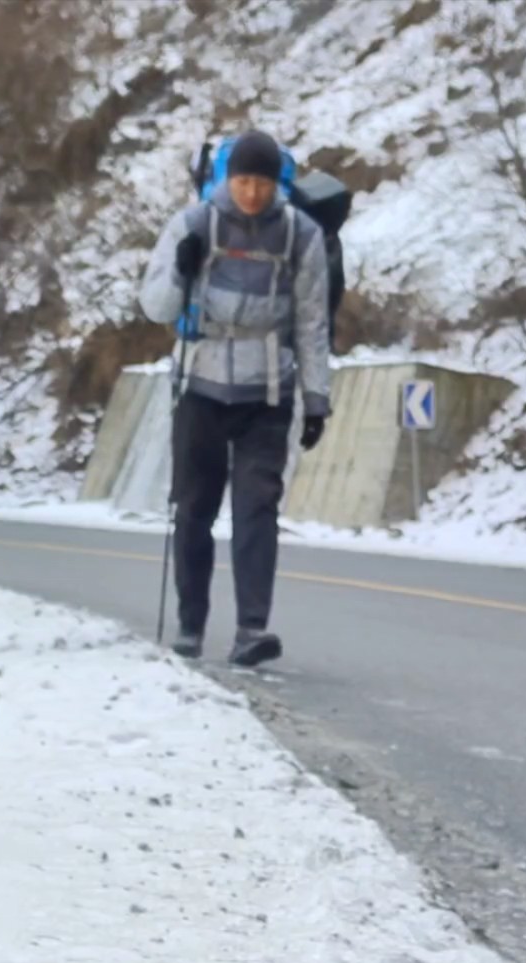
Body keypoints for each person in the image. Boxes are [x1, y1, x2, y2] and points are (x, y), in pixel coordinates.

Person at [138, 129, 332, 667]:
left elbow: (314, 322)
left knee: (257, 511)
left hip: (267, 392)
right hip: (199, 385)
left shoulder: (301, 236)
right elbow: (156, 308)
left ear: (277, 184)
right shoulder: (195, 223)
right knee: (193, 509)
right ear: (228, 178)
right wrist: (181, 265)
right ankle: (190, 625)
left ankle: (251, 630)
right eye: (243, 181)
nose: (252, 193)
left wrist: (317, 399)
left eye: (262, 182)